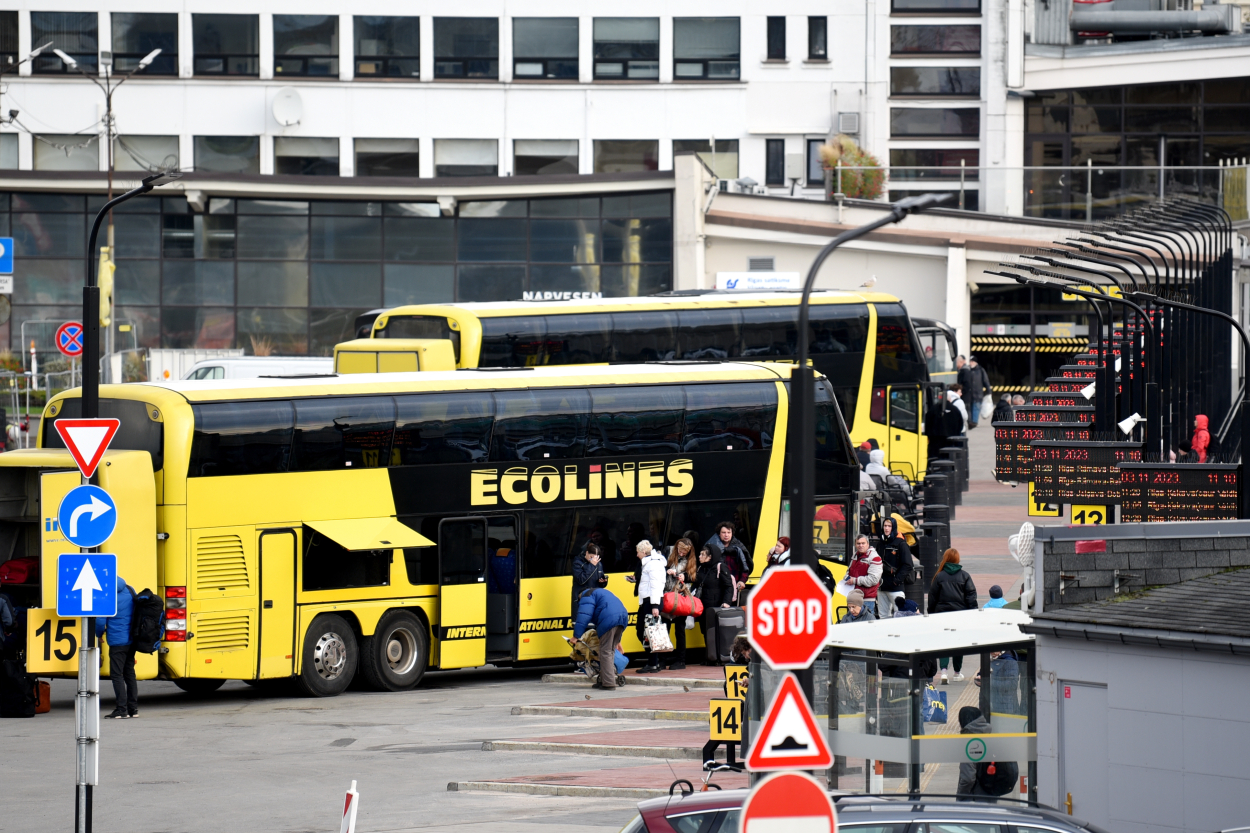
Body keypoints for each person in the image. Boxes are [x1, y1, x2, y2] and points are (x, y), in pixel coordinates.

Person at [928, 548, 978, 683]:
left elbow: (932, 597)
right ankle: (957, 672)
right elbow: (971, 597)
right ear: (957, 560)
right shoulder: (965, 576)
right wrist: (973, 613)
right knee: (958, 642)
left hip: (942, 615)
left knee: (944, 642)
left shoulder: (939, 576)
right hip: (960, 615)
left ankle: (943, 672)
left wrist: (931, 613)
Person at [572, 588, 630, 690]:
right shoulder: (600, 592)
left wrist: (576, 636)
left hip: (609, 620)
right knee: (610, 651)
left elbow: (583, 616)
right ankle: (605, 679)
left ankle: (608, 683)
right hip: (623, 617)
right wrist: (618, 640)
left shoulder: (586, 596)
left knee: (605, 652)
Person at [99, 574, 138, 719]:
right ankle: (133, 709)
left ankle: (121, 709)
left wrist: (99, 634)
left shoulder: (107, 596)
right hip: (131, 639)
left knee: (116, 674)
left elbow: (99, 621)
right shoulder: (129, 589)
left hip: (117, 641)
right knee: (129, 673)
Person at [693, 545, 735, 665]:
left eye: (702, 554)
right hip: (703, 606)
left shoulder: (720, 567)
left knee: (716, 632)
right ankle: (710, 656)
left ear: (710, 557)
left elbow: (728, 586)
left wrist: (726, 602)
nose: (699, 556)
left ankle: (719, 657)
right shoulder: (701, 568)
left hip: (716, 607)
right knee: (705, 631)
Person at [662, 538, 698, 670]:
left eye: (685, 553)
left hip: (680, 598)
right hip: (667, 595)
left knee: (679, 630)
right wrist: (667, 571)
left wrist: (682, 576)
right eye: (680, 551)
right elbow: (660, 568)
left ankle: (680, 660)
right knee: (664, 628)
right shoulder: (668, 551)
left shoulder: (691, 559)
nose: (682, 554)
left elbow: (693, 577)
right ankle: (662, 659)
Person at [634, 540, 667, 674]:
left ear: (643, 552)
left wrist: (655, 605)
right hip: (648, 601)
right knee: (646, 631)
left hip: (651, 602)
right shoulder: (651, 563)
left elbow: (655, 585)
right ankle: (654, 661)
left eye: (637, 552)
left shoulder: (652, 564)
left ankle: (653, 662)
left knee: (648, 632)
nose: (637, 555)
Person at [956, 707, 998, 800]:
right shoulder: (991, 733)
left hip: (975, 798)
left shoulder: (969, 742)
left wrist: (961, 797)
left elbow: (968, 778)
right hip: (991, 794)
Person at [878, 516, 914, 618]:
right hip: (882, 587)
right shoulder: (881, 544)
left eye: (889, 526)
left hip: (896, 588)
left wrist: (897, 580)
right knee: (883, 616)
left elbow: (908, 564)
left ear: (893, 528)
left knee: (900, 615)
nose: (886, 528)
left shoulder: (901, 544)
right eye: (885, 526)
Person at [706, 522, 751, 601]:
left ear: (732, 534)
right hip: (716, 588)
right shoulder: (712, 548)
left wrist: (742, 581)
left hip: (733, 587)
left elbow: (745, 567)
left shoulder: (738, 548)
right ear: (719, 534)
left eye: (728, 532)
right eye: (723, 532)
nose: (726, 535)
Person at [847, 534, 882, 618]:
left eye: (863, 543)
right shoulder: (856, 555)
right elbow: (849, 571)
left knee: (866, 628)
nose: (860, 545)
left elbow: (873, 579)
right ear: (855, 545)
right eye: (858, 543)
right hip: (853, 598)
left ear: (868, 544)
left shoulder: (875, 558)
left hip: (866, 599)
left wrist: (854, 580)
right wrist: (847, 578)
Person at [572, 543, 609, 615]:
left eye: (596, 558)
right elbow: (581, 580)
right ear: (586, 553)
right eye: (591, 557)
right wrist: (592, 565)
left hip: (595, 600)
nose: (594, 560)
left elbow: (600, 583)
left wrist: (603, 582)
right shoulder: (577, 563)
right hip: (581, 601)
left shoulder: (599, 564)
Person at [964, 357, 993, 428]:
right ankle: (971, 421)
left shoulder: (981, 370)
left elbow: (985, 381)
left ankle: (975, 422)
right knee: (969, 408)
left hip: (978, 393)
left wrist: (989, 391)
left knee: (976, 407)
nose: (971, 363)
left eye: (972, 361)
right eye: (970, 361)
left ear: (976, 362)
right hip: (969, 393)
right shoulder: (967, 370)